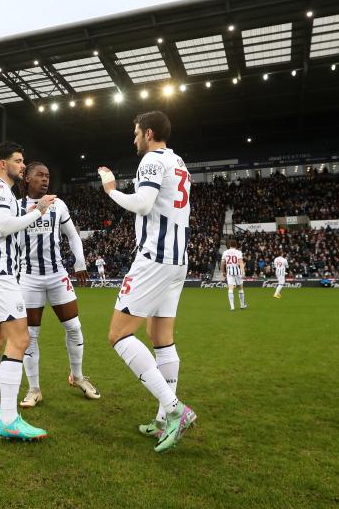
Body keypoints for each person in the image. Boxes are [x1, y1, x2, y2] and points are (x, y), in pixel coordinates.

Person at [98, 110, 197, 454]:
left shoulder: (152, 160)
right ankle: (162, 420)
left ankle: (175, 410)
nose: (134, 138)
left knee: (119, 335)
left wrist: (111, 190)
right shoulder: (179, 162)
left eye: (136, 132)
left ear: (149, 133)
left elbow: (142, 204)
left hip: (155, 258)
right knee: (160, 337)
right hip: (178, 260)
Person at [0, 141, 55, 441]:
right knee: (20, 339)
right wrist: (39, 211)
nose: (23, 165)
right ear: (2, 164)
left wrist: (32, 209)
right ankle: (9, 419)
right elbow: (5, 226)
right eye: (18, 161)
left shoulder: (0, 191)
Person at [16, 161, 100, 409]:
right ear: (27, 178)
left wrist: (80, 262)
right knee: (30, 335)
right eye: (39, 175)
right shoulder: (16, 207)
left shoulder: (58, 205)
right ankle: (34, 389)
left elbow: (72, 235)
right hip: (29, 277)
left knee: (74, 327)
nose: (45, 179)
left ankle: (78, 376)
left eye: (48, 175)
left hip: (57, 274)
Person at [221, 238, 247, 310]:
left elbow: (222, 264)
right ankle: (242, 305)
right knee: (240, 288)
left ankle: (232, 306)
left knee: (230, 288)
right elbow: (241, 263)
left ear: (229, 245)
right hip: (237, 272)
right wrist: (243, 272)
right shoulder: (238, 252)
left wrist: (223, 272)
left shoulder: (225, 252)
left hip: (229, 272)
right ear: (236, 245)